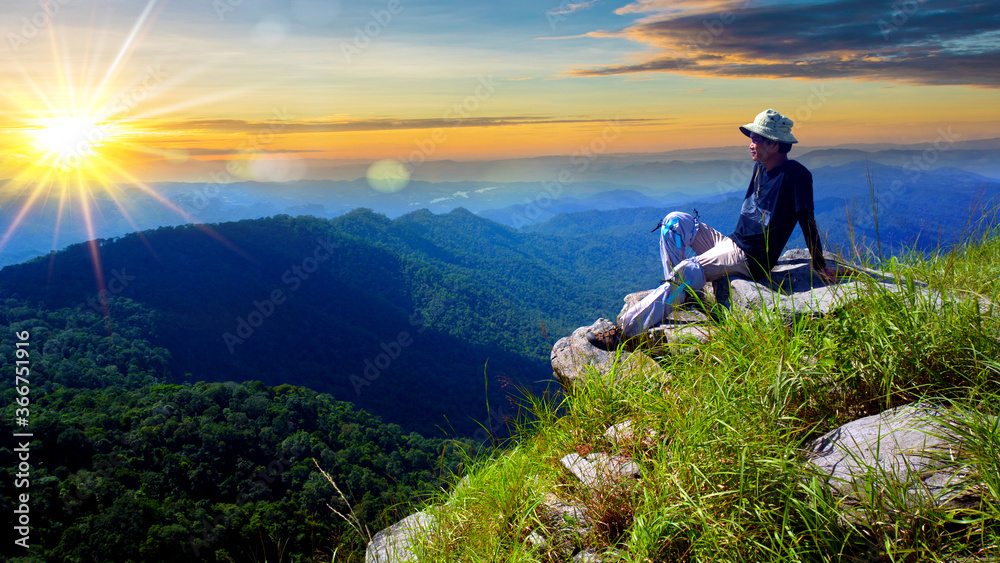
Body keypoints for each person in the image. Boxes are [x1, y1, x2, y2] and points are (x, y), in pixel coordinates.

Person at [588, 108, 840, 351]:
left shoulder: (795, 175)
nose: (750, 144)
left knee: (688, 270)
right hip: (731, 243)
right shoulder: (761, 167)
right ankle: (683, 295)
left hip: (750, 258)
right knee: (673, 223)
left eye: (756, 139)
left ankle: (625, 331)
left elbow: (806, 218)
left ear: (774, 144)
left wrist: (819, 263)